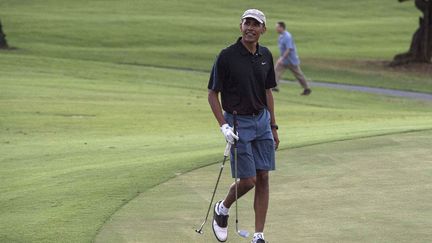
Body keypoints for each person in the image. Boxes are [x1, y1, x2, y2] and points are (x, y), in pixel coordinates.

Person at [207, 9, 280, 243]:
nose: (250, 28)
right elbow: (212, 94)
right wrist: (223, 127)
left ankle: (259, 235)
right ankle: (222, 208)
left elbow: (268, 91)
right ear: (240, 26)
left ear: (263, 30)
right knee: (248, 180)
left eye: (255, 24)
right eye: (246, 23)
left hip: (262, 122)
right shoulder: (227, 56)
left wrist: (274, 125)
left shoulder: (266, 55)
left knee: (264, 176)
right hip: (238, 123)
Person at [274, 21, 311, 95]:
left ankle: (307, 88)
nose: (276, 29)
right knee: (276, 71)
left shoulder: (287, 36)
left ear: (282, 27)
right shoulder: (281, 36)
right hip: (284, 60)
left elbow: (289, 49)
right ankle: (275, 87)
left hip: (291, 60)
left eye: (277, 27)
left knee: (298, 75)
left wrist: (281, 58)